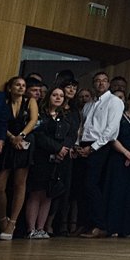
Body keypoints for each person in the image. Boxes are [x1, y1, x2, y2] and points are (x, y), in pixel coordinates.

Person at [74, 71, 125, 239]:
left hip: (100, 145)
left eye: (104, 81)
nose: (101, 83)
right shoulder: (89, 103)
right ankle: (84, 223)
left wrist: (93, 148)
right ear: (93, 84)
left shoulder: (114, 101)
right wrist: (77, 144)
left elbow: (111, 129)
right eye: (97, 81)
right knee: (81, 186)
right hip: (84, 144)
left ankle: (99, 225)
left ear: (109, 84)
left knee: (91, 185)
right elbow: (82, 126)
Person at [23, 86, 78, 238]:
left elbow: (71, 135)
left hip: (58, 159)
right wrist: (57, 148)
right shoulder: (41, 114)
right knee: (36, 193)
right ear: (48, 97)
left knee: (49, 194)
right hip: (41, 157)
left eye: (61, 95)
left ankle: (41, 228)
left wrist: (64, 149)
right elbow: (39, 134)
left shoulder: (65, 116)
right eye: (55, 95)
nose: (58, 98)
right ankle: (31, 228)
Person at [0, 75, 37, 240]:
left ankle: (13, 222)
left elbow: (33, 120)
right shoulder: (3, 101)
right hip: (6, 141)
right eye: (17, 85)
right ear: (10, 87)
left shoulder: (30, 101)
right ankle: (2, 219)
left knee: (19, 183)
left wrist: (21, 136)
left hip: (24, 142)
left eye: (23, 85)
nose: (21, 87)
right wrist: (11, 137)